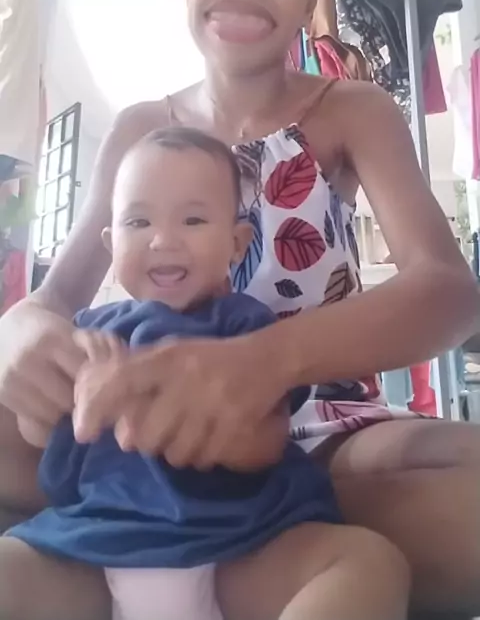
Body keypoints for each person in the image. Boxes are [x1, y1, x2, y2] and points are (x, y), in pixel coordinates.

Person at [0, 0, 478, 620]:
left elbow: (446, 289)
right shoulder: (139, 129)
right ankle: (167, 545)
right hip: (143, 435)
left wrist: (264, 363)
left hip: (320, 428)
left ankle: (230, 548)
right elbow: (55, 297)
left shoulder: (351, 109)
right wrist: (22, 329)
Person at [6, 126, 409, 620]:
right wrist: (56, 402)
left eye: (193, 220)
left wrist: (191, 426)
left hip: (238, 545)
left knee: (369, 564)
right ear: (111, 243)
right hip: (97, 544)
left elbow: (266, 442)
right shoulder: (89, 333)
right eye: (138, 221)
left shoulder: (242, 327)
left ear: (237, 244)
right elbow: (41, 434)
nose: (162, 240)